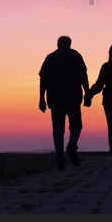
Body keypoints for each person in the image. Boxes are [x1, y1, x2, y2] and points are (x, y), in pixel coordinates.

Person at [38, 36, 90, 170]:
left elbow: (43, 79)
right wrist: (87, 94)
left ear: (57, 44)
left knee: (58, 131)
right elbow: (83, 76)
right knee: (76, 126)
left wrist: (41, 99)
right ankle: (72, 144)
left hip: (55, 100)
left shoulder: (50, 58)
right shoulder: (76, 56)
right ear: (70, 44)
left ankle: (60, 159)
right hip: (73, 98)